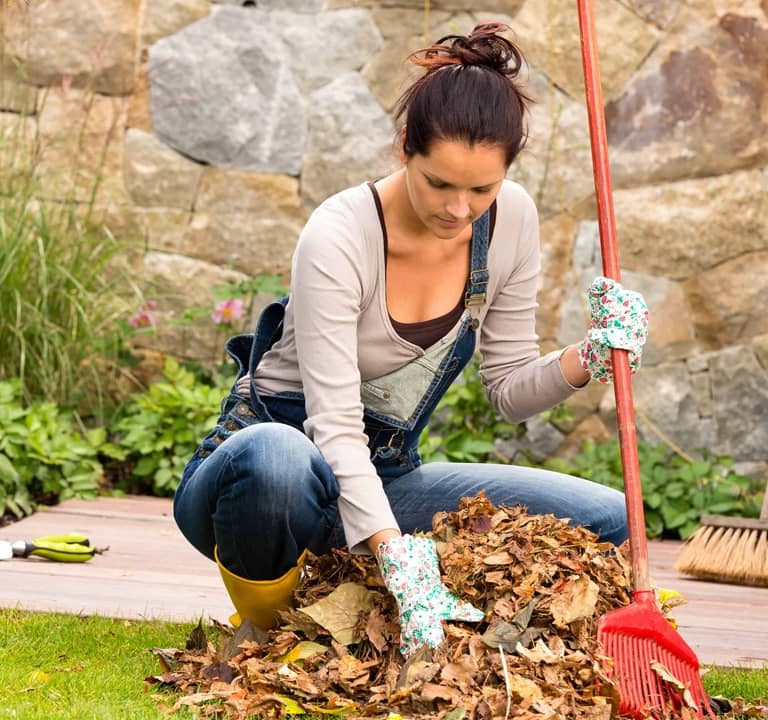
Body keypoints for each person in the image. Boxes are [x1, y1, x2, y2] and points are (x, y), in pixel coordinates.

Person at [173, 23, 649, 659]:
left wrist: (590, 358)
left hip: (382, 478)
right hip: (265, 482)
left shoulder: (511, 221)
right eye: (439, 183)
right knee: (276, 458)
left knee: (609, 517)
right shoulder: (339, 236)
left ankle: (428, 623)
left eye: (481, 188)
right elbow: (334, 429)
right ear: (405, 149)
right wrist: (401, 558)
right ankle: (267, 632)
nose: (459, 210)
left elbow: (508, 391)